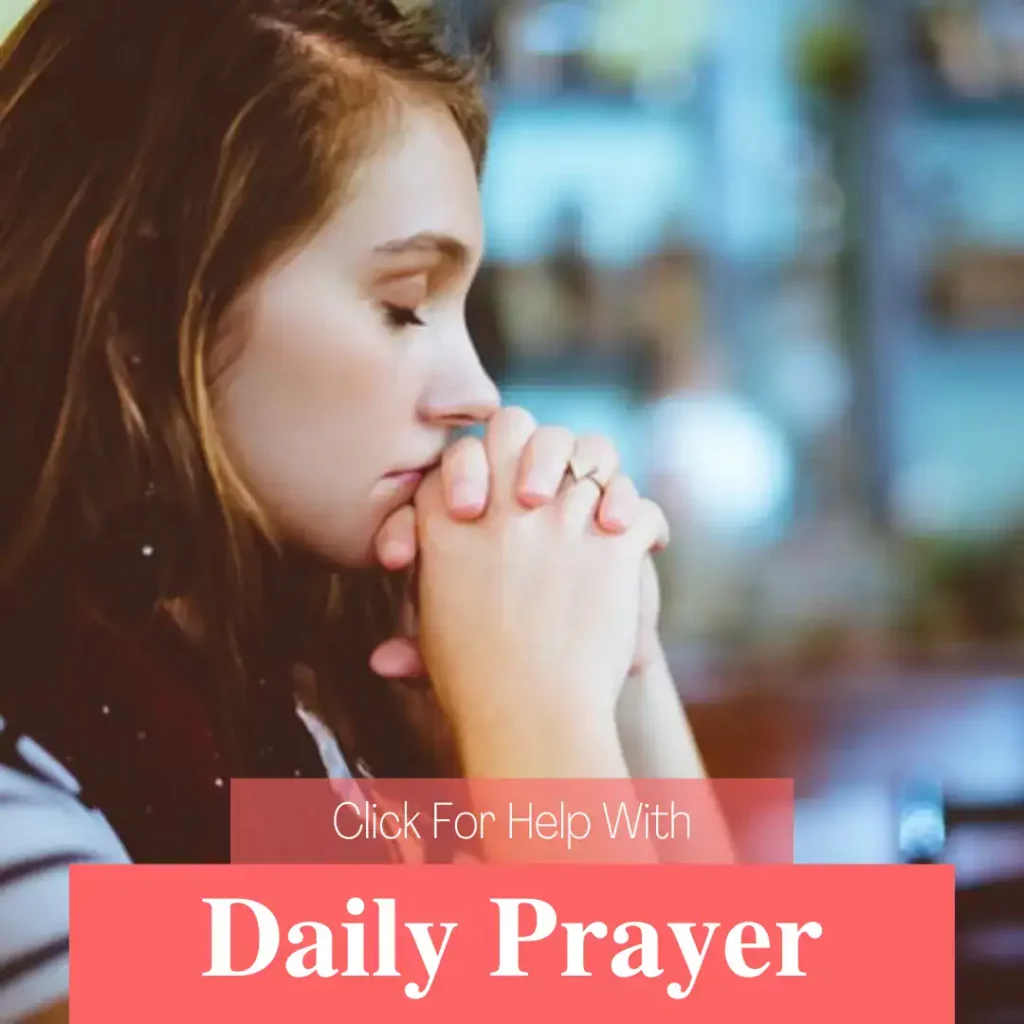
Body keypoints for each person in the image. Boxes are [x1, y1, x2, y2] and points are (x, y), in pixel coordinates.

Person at [0, 0, 708, 1014]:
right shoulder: (29, 793)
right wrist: (535, 720)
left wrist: (620, 680)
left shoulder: (306, 724)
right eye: (403, 303)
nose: (477, 393)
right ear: (144, 310)